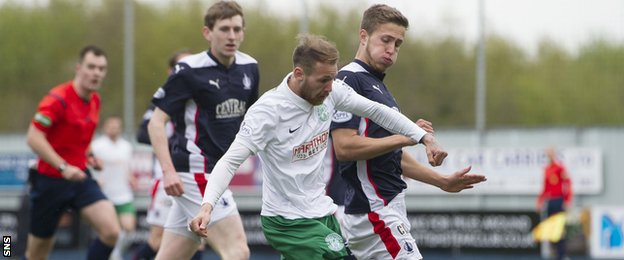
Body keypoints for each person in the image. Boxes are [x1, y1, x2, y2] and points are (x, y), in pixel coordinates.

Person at [190, 34, 448, 259]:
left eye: (333, 79)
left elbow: (376, 110)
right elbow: (230, 161)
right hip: (286, 221)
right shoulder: (268, 112)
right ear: (299, 74)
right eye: (323, 80)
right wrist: (207, 205)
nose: (329, 88)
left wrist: (423, 138)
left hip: (323, 212)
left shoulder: (333, 91)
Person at [330, 4, 488, 259]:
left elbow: (393, 154)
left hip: (386, 209)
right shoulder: (349, 81)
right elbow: (344, 147)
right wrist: (406, 136)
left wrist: (443, 182)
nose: (391, 49)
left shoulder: (379, 87)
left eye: (398, 43)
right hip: (374, 212)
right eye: (386, 40)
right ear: (363, 36)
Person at [147, 1, 258, 259]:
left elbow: (253, 119)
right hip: (195, 170)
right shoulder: (189, 70)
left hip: (216, 172)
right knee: (238, 251)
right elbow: (155, 123)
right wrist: (168, 171)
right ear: (207, 33)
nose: (231, 36)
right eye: (224, 29)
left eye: (237, 29)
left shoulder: (250, 67)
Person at [25, 45, 120, 260]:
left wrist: (90, 155)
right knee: (34, 254)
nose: (97, 73)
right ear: (79, 68)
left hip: (79, 178)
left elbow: (79, 139)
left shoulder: (95, 100)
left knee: (111, 231)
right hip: (49, 181)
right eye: (91, 67)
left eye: (102, 68)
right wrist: (63, 166)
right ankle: (8, 251)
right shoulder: (57, 99)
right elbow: (33, 137)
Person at [133, 49, 204, 260]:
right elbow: (142, 133)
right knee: (156, 240)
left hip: (194, 176)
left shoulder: (201, 94)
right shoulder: (164, 97)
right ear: (170, 70)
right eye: (180, 66)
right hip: (167, 177)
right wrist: (177, 142)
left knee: (197, 239)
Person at [91, 116, 136, 260]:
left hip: (123, 194)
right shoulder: (97, 146)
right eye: (111, 126)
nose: (114, 129)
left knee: (128, 228)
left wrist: (131, 178)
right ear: (105, 127)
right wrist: (96, 179)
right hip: (104, 195)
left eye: (117, 127)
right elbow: (89, 165)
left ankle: (116, 253)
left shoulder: (126, 147)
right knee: (108, 231)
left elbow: (126, 168)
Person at [536, 146, 572, 260]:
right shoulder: (546, 169)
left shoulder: (560, 168)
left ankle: (562, 255)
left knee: (560, 229)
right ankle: (554, 253)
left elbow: (568, 183)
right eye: (548, 154)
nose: (549, 156)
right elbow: (545, 188)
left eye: (551, 153)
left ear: (554, 154)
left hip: (559, 200)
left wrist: (567, 199)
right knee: (551, 228)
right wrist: (540, 201)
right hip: (550, 201)